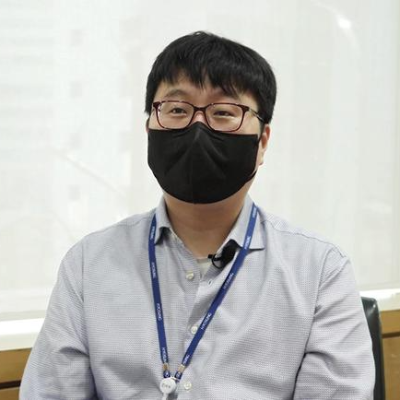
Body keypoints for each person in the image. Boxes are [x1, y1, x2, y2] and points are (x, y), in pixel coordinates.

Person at [20, 31, 374, 399]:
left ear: (262, 142)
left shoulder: (320, 272)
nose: (198, 127)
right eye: (177, 110)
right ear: (149, 128)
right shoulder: (87, 265)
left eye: (223, 112)